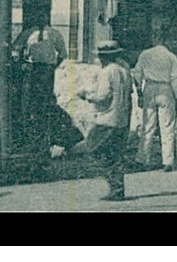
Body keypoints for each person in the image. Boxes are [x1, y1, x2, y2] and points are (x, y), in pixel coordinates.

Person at [79, 41, 134, 201]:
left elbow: (102, 96)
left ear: (104, 57)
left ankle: (114, 184)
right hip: (122, 118)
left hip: (107, 118)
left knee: (93, 147)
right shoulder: (124, 70)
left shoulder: (107, 71)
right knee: (116, 154)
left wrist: (87, 96)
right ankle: (117, 188)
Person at [10, 18, 67, 170]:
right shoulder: (28, 33)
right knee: (29, 104)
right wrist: (21, 62)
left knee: (46, 103)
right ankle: (30, 139)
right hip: (31, 69)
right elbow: (15, 49)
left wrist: (52, 67)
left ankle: (47, 140)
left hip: (47, 71)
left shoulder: (54, 33)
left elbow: (62, 53)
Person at [134, 35, 177, 171]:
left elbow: (137, 74)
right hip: (166, 89)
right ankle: (168, 161)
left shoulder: (145, 54)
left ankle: (142, 159)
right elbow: (176, 80)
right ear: (166, 41)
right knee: (167, 126)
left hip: (149, 88)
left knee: (147, 126)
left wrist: (139, 92)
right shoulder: (171, 57)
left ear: (155, 40)